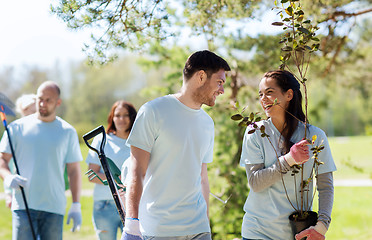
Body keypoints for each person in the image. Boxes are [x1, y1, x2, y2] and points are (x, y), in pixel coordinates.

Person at [121, 50, 231, 240]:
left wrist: (206, 224)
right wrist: (132, 224)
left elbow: (203, 177)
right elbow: (137, 170)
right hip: (160, 230)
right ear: (201, 76)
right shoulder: (153, 111)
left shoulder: (207, 123)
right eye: (219, 82)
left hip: (199, 229)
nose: (222, 90)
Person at [239, 70, 337, 240]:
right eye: (260, 94)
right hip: (257, 232)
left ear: (289, 94)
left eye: (269, 93)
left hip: (298, 233)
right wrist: (289, 159)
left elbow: (325, 186)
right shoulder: (254, 133)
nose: (263, 99)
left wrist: (321, 227)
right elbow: (255, 183)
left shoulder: (314, 136)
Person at [0, 81, 83, 240]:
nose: (42, 103)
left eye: (48, 100)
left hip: (54, 207)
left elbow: (73, 170)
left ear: (58, 102)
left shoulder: (67, 131)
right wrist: (8, 177)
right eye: (40, 99)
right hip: (23, 205)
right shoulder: (17, 128)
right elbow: (2, 159)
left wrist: (76, 204)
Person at [86, 100, 137, 240]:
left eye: (126, 115)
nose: (121, 119)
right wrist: (114, 181)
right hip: (105, 205)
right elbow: (91, 175)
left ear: (132, 117)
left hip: (132, 205)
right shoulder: (102, 140)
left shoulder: (138, 142)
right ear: (112, 118)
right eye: (117, 115)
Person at [4, 94, 37, 208]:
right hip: (19, 189)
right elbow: (7, 164)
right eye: (29, 110)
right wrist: (9, 193)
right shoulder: (15, 130)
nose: (33, 112)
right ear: (23, 110)